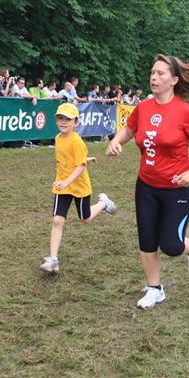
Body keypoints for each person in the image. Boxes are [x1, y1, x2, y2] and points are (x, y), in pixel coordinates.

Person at [106, 54, 189, 310]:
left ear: (174, 80)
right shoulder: (143, 108)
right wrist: (115, 140)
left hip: (176, 188)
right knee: (146, 240)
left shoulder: (184, 111)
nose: (154, 77)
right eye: (152, 72)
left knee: (170, 245)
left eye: (160, 74)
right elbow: (129, 129)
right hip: (145, 185)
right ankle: (155, 288)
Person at [40, 103, 117, 273]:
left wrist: (71, 176)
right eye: (60, 118)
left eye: (68, 119)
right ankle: (53, 259)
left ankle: (103, 203)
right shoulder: (58, 138)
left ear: (76, 122)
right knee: (57, 220)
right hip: (62, 185)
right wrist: (85, 159)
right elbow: (70, 159)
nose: (63, 122)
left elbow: (80, 167)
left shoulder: (77, 141)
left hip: (79, 186)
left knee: (85, 219)